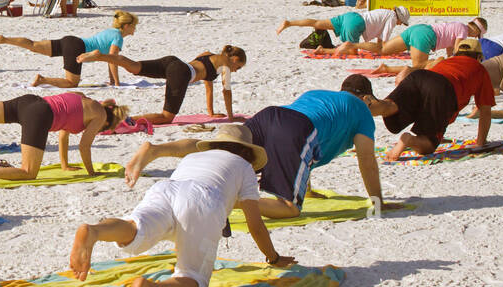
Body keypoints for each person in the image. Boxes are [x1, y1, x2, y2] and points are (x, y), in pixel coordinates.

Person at [69, 125, 293, 287]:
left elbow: (184, 210)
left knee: (135, 228)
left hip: (166, 188)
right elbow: (255, 224)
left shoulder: (196, 156)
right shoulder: (244, 167)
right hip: (204, 200)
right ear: (248, 152)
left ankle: (95, 230)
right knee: (194, 279)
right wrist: (272, 257)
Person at [127, 75, 385, 219]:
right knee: (289, 209)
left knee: (215, 146)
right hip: (294, 128)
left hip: (272, 115)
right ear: (366, 99)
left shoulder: (321, 94)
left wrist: (307, 188)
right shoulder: (361, 110)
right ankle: (234, 202)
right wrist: (377, 200)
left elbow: (303, 154)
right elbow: (366, 159)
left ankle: (156, 149)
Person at [0, 92, 130, 184]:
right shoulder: (99, 116)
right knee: (28, 172)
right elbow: (84, 146)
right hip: (40, 115)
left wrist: (65, 165)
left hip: (29, 101)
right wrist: (92, 172)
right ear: (107, 122)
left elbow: (64, 132)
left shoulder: (82, 97)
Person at [364, 39, 493, 161]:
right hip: (443, 87)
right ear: (478, 57)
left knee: (390, 106)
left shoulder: (448, 61)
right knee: (428, 145)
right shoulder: (480, 69)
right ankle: (409, 140)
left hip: (419, 76)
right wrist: (481, 143)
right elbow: (485, 111)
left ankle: (363, 107)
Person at [79, 45, 247, 124]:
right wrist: (231, 117)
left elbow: (207, 84)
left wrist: (210, 112)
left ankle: (100, 56)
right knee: (166, 117)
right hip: (181, 73)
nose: (236, 70)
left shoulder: (210, 54)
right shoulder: (225, 67)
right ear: (234, 59)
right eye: (238, 67)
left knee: (134, 67)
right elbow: (227, 92)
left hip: (172, 62)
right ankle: (125, 121)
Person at [0, 10, 138, 88]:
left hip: (70, 40)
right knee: (72, 83)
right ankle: (42, 80)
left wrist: (112, 80)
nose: (135, 29)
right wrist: (117, 83)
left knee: (33, 45)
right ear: (126, 26)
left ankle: (4, 39)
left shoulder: (110, 31)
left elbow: (108, 59)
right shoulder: (118, 36)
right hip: (77, 49)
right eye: (133, 25)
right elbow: (113, 60)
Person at [276, 6, 411, 56]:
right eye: (401, 22)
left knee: (317, 23)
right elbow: (382, 42)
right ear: (399, 17)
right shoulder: (392, 19)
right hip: (356, 24)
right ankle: (323, 50)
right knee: (352, 51)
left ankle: (289, 23)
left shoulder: (385, 11)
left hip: (350, 16)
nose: (399, 24)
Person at [369, 18, 488, 73]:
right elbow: (458, 48)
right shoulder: (464, 32)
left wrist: (449, 57)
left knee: (383, 49)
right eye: (477, 35)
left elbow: (450, 48)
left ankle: (353, 45)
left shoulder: (458, 25)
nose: (475, 37)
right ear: (477, 30)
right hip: (426, 36)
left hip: (419, 29)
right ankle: (387, 69)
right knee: (419, 66)